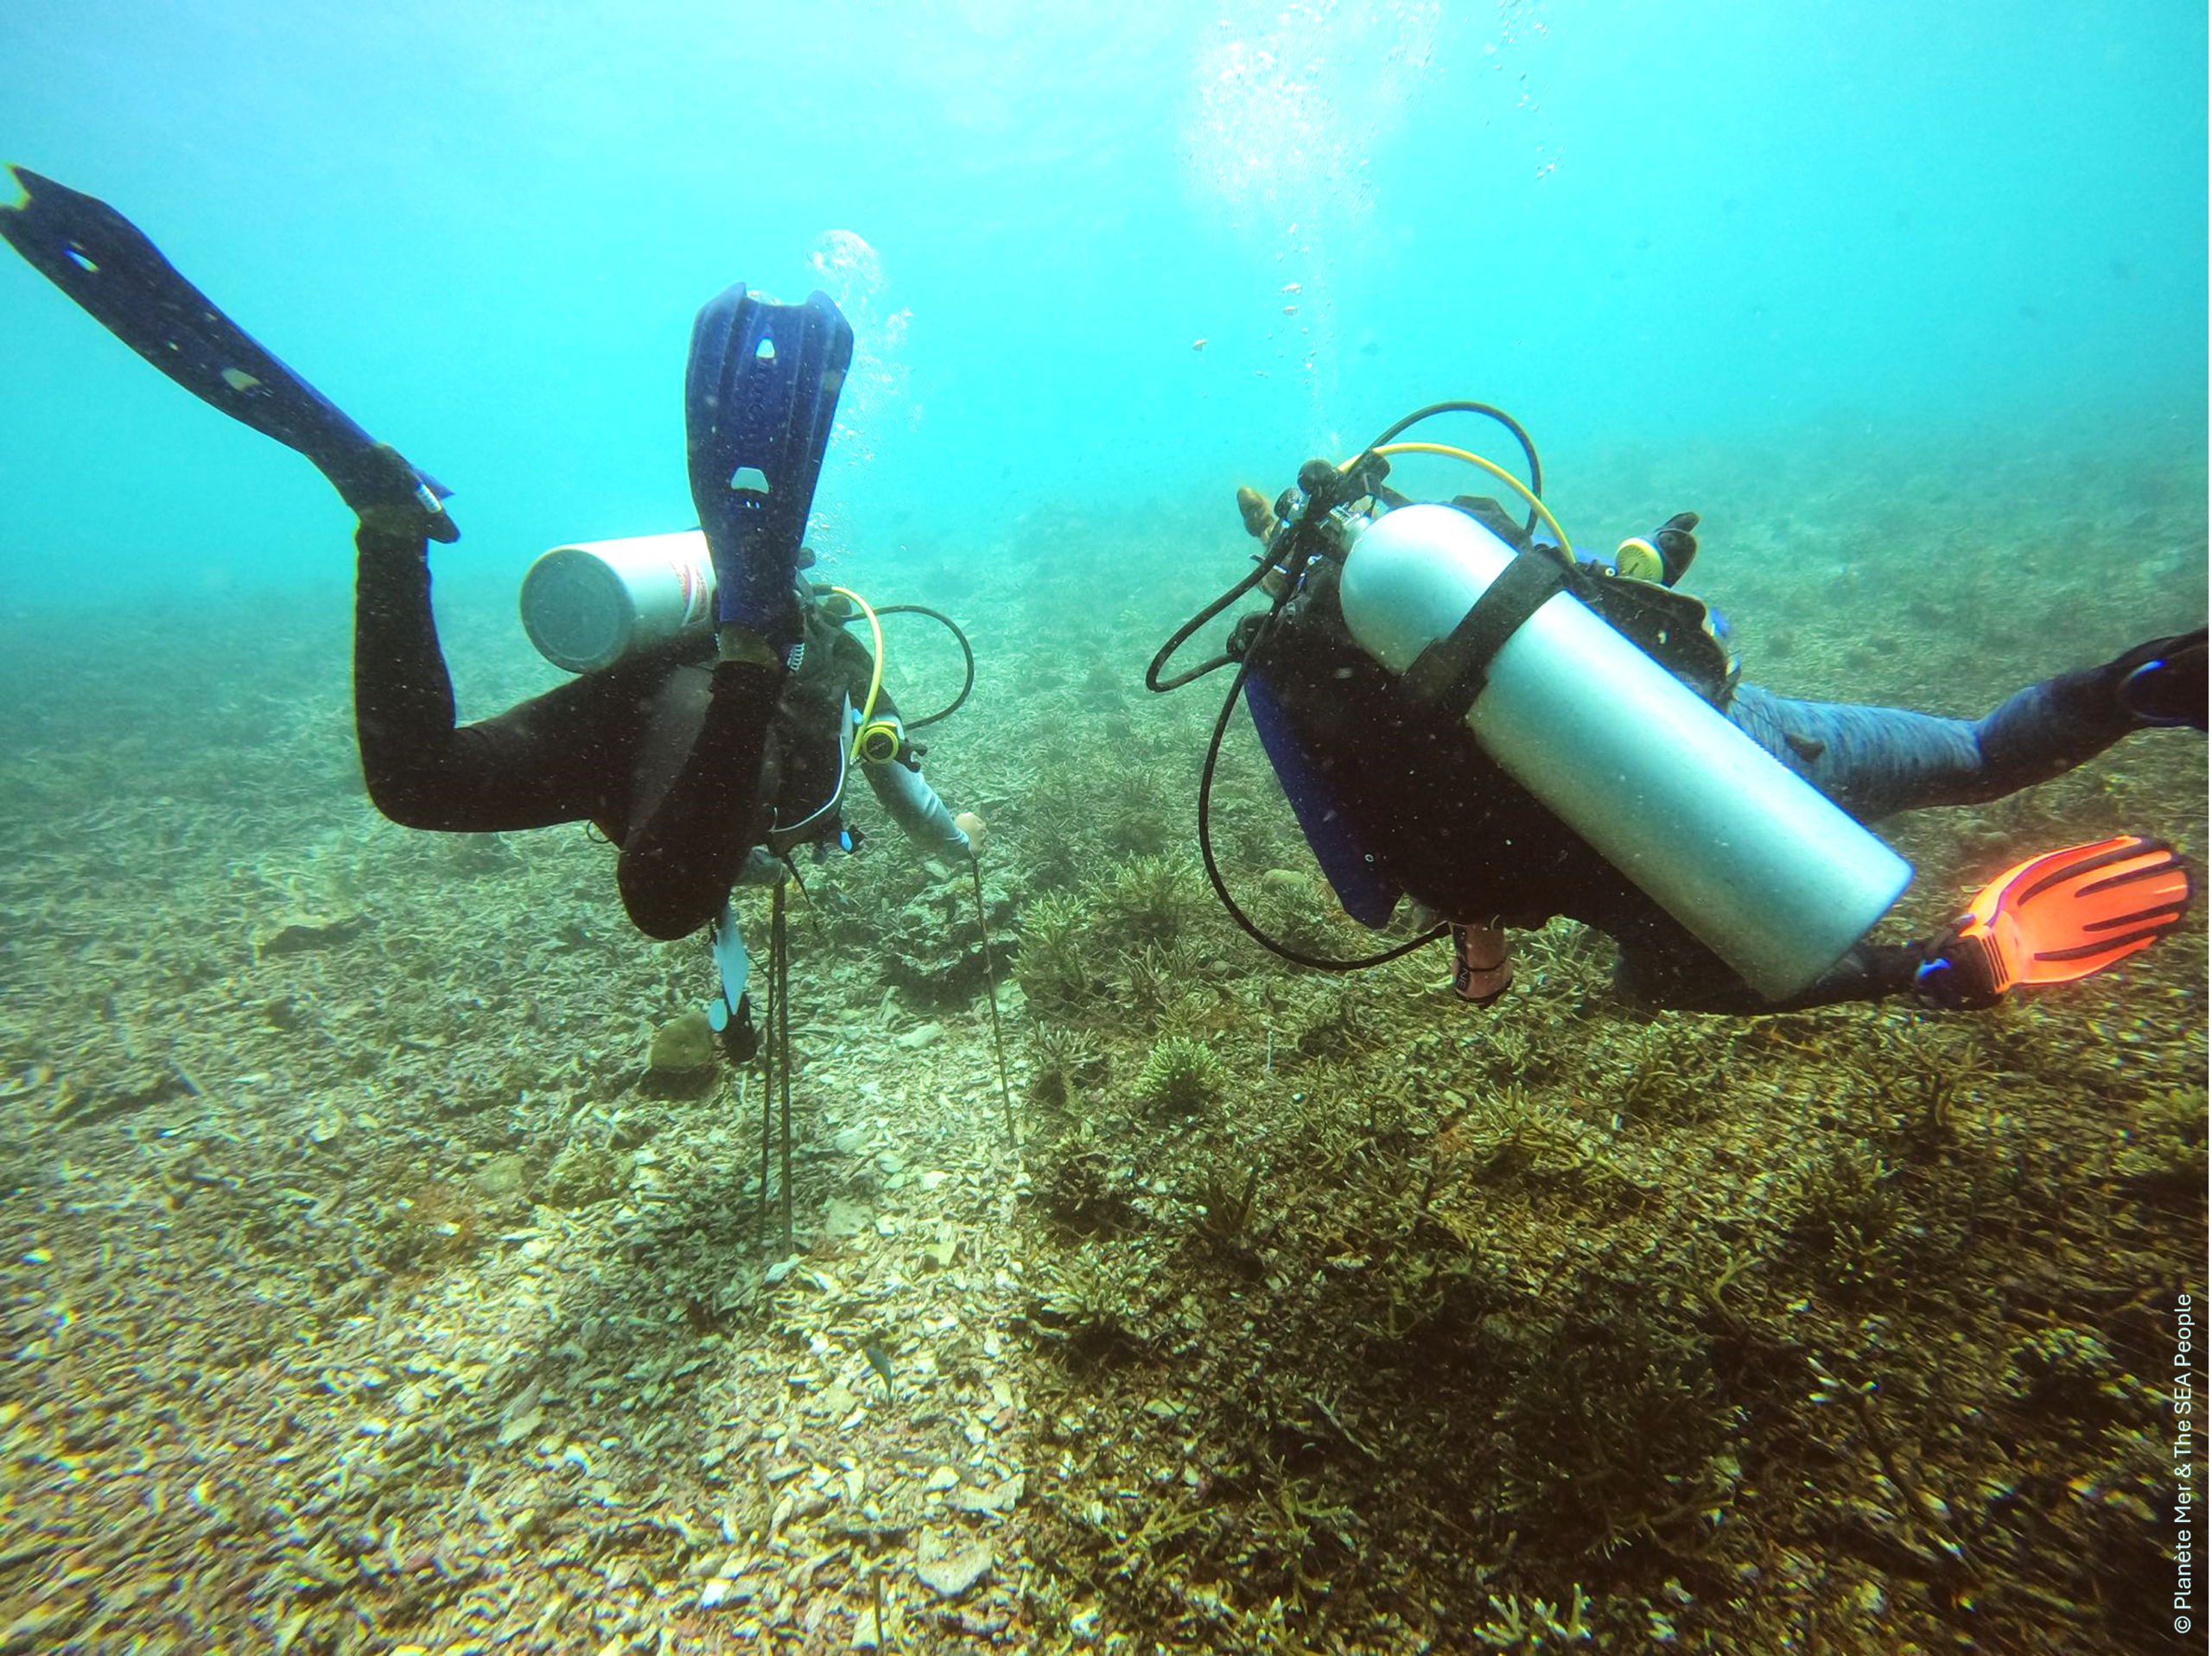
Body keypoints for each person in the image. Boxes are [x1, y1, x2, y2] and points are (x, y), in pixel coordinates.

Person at [3, 168, 982, 1047]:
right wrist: (953, 849)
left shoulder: (760, 652)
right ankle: (748, 654)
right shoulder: (853, 658)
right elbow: (909, 799)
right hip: (703, 722)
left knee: (424, 784)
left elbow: (729, 828)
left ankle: (391, 525)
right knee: (661, 895)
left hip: (634, 722)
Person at [1149, 402, 2202, 1014]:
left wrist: (1479, 955)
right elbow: (1586, 589)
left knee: (1662, 985)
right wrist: (1658, 551)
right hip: (1743, 743)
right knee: (1976, 758)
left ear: (1269, 556)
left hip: (1634, 885)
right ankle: (2137, 687)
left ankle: (1921, 971)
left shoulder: (1301, 683)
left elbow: (1373, 893)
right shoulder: (1446, 539)